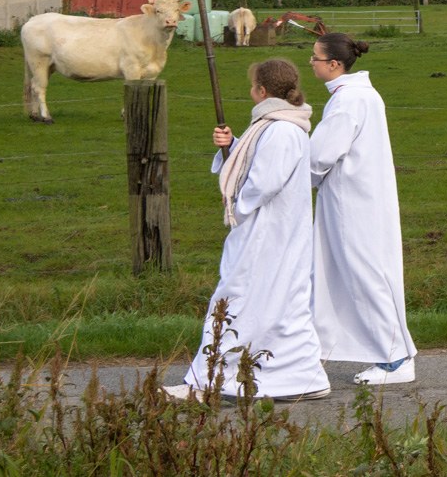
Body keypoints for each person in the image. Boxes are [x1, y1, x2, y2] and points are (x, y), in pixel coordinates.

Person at [166, 59, 328, 402]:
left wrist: (237, 203)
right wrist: (233, 145)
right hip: (278, 231)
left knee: (236, 296)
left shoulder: (281, 129)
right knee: (281, 300)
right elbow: (259, 160)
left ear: (262, 91)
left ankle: (210, 381)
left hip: (267, 233)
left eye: (252, 85)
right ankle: (302, 376)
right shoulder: (278, 124)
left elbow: (264, 182)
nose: (250, 90)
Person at [308, 33, 419, 385]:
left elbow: (321, 154)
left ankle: (396, 359)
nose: (311, 63)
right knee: (363, 273)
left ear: (334, 64)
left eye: (315, 58)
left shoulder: (347, 102)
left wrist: (296, 175)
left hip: (351, 203)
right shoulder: (361, 95)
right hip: (362, 198)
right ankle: (374, 352)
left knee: (365, 274)